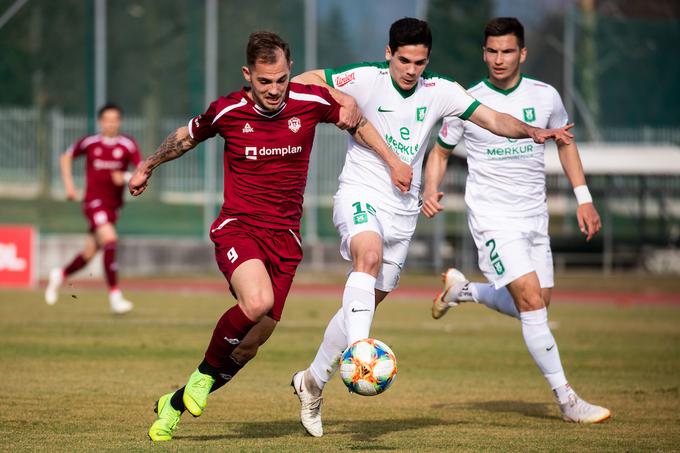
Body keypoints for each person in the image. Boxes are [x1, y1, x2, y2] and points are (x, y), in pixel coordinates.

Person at [289, 17, 575, 437]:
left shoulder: (440, 90)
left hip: (403, 209)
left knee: (370, 294)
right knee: (365, 259)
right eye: (403, 60)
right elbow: (303, 79)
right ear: (389, 54)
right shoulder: (366, 78)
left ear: (428, 61)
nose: (410, 70)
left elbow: (493, 118)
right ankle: (362, 352)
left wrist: (530, 131)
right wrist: (338, 99)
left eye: (419, 62)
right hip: (361, 192)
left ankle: (312, 381)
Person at [132, 31, 411, 442]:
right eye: (265, 82)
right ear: (248, 75)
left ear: (290, 72)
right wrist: (148, 164)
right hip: (238, 228)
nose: (274, 90)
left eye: (281, 79)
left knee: (247, 346)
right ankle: (200, 379)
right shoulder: (227, 111)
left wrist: (392, 161)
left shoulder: (311, 102)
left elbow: (358, 121)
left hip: (284, 242)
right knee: (256, 300)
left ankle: (173, 404)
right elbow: (186, 137)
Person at [423, 17, 610, 424]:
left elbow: (565, 144)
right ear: (483, 53)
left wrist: (584, 199)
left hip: (533, 217)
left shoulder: (545, 97)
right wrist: (430, 188)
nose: (499, 59)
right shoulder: (467, 100)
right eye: (491, 51)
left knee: (537, 303)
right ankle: (568, 401)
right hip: (492, 217)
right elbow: (439, 151)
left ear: (522, 53)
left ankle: (463, 291)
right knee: (529, 300)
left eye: (508, 51)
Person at [44, 103, 141, 314]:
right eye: (107, 120)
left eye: (115, 120)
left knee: (89, 254)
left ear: (120, 121)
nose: (111, 124)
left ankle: (58, 275)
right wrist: (69, 186)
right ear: (100, 122)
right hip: (93, 203)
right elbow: (65, 156)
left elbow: (141, 169)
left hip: (114, 207)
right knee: (110, 240)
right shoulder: (90, 142)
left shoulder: (127, 144)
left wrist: (124, 177)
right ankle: (115, 296)